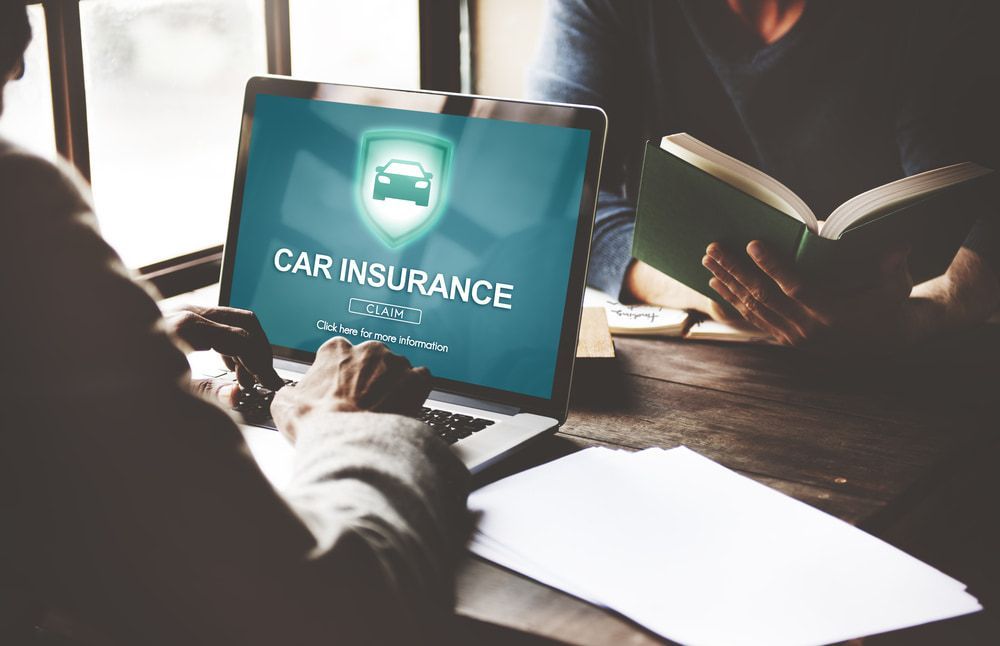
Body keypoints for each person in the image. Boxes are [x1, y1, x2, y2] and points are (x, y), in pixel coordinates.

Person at [0, 5, 469, 645]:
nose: (24, 57)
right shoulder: (18, 208)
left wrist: (110, 356)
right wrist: (348, 421)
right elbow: (331, 615)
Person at [531, 0, 1000, 349]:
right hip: (692, 351)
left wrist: (921, 315)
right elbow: (547, 192)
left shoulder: (932, 17)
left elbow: (977, 200)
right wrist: (705, 290)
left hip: (908, 365)